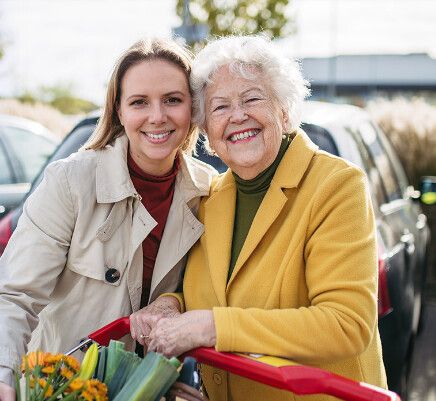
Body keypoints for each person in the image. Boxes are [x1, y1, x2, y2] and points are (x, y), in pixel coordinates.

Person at [142, 35, 387, 401]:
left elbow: (345, 324)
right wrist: (171, 305)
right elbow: (215, 292)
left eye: (252, 98)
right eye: (220, 107)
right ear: (207, 132)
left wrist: (212, 327)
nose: (237, 116)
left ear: (284, 111)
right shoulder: (211, 197)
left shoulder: (336, 186)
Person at [0, 38, 216, 401]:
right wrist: (3, 376)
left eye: (172, 100)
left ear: (192, 108)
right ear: (118, 111)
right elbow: (15, 295)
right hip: (59, 387)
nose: (157, 116)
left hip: (148, 391)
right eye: (139, 102)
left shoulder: (209, 192)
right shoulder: (70, 182)